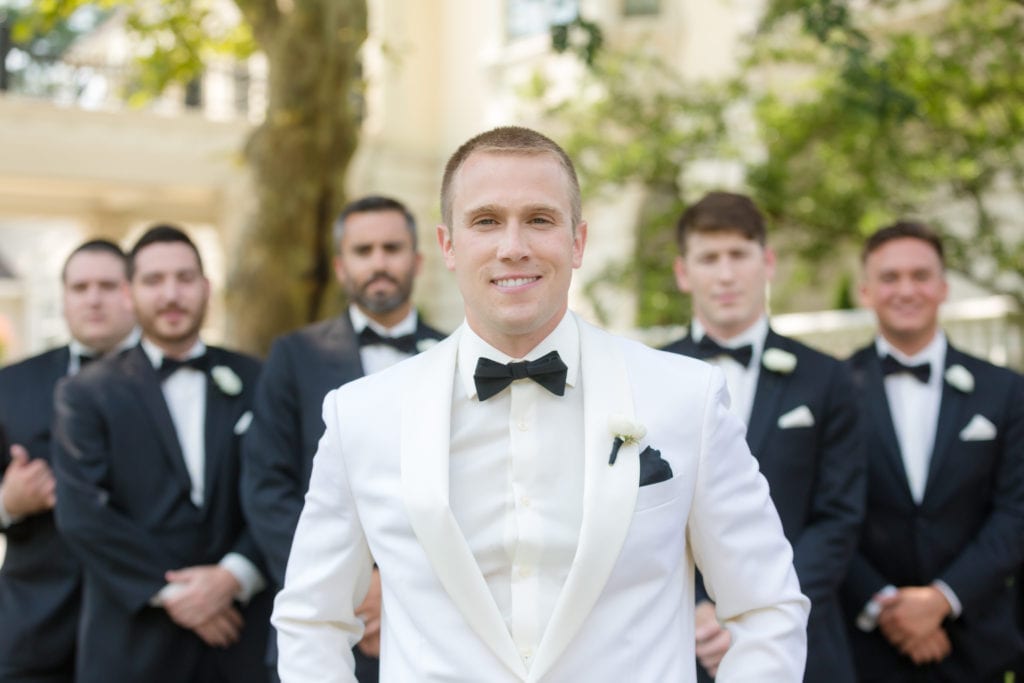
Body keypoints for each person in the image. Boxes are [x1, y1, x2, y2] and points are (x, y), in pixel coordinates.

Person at [272, 126, 809, 682]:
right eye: (485, 221)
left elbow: (767, 607)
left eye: (539, 219)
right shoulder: (361, 413)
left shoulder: (686, 398)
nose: (513, 247)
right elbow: (313, 620)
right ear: (447, 245)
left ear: (577, 242)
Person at [52, 225, 271, 683]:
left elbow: (279, 487)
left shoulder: (257, 378)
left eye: (185, 279)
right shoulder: (85, 392)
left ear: (207, 288)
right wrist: (178, 596)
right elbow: (82, 514)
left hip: (242, 640)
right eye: (154, 281)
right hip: (131, 644)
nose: (171, 294)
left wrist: (233, 576)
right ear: (130, 293)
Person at [241, 195, 446, 681]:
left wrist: (399, 586)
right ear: (340, 266)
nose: (379, 262)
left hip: (435, 628)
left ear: (417, 261)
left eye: (392, 248)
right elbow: (266, 489)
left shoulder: (455, 355)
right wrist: (355, 587)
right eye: (363, 250)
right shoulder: (293, 357)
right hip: (324, 621)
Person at [662, 191, 865, 682]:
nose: (726, 274)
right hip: (676, 645)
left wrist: (757, 615)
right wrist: (699, 613)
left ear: (767, 262)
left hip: (805, 644)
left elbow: (838, 518)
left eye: (739, 255)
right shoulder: (649, 375)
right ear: (683, 272)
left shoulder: (829, 380)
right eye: (709, 258)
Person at [844, 221, 1024, 681]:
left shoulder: (1004, 392)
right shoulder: (834, 390)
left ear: (943, 287)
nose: (906, 290)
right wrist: (887, 607)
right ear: (865, 291)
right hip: (861, 645)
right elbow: (824, 510)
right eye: (889, 277)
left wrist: (942, 599)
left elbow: (1015, 512)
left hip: (977, 645)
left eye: (920, 276)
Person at [0, 239, 137, 683]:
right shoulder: (11, 384)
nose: (93, 298)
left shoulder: (171, 380)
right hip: (33, 628)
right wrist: (7, 502)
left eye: (107, 285)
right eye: (80, 287)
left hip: (146, 629)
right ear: (63, 298)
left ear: (131, 292)